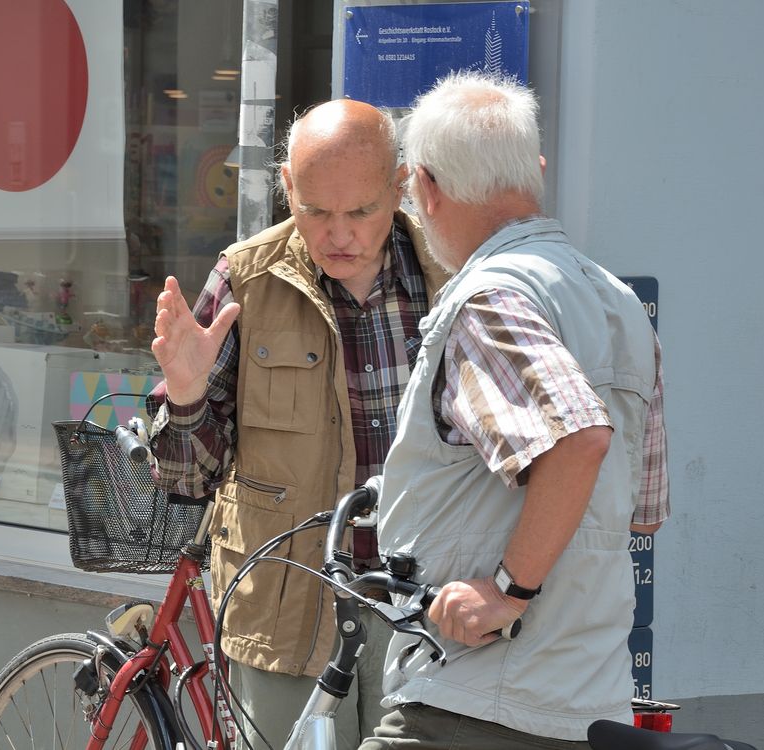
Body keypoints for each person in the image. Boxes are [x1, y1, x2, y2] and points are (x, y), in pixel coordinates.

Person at [359, 71, 670, 750]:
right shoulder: (616, 301)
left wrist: (509, 591)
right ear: (536, 172)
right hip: (586, 693)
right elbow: (639, 506)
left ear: (427, 187)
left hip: (479, 695)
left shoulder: (493, 298)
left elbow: (578, 438)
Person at [147, 98, 449, 749]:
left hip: (424, 611)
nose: (338, 233)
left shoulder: (448, 276)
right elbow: (182, 481)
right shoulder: (246, 280)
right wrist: (186, 394)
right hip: (291, 617)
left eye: (361, 211)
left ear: (399, 187)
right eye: (315, 211)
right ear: (287, 186)